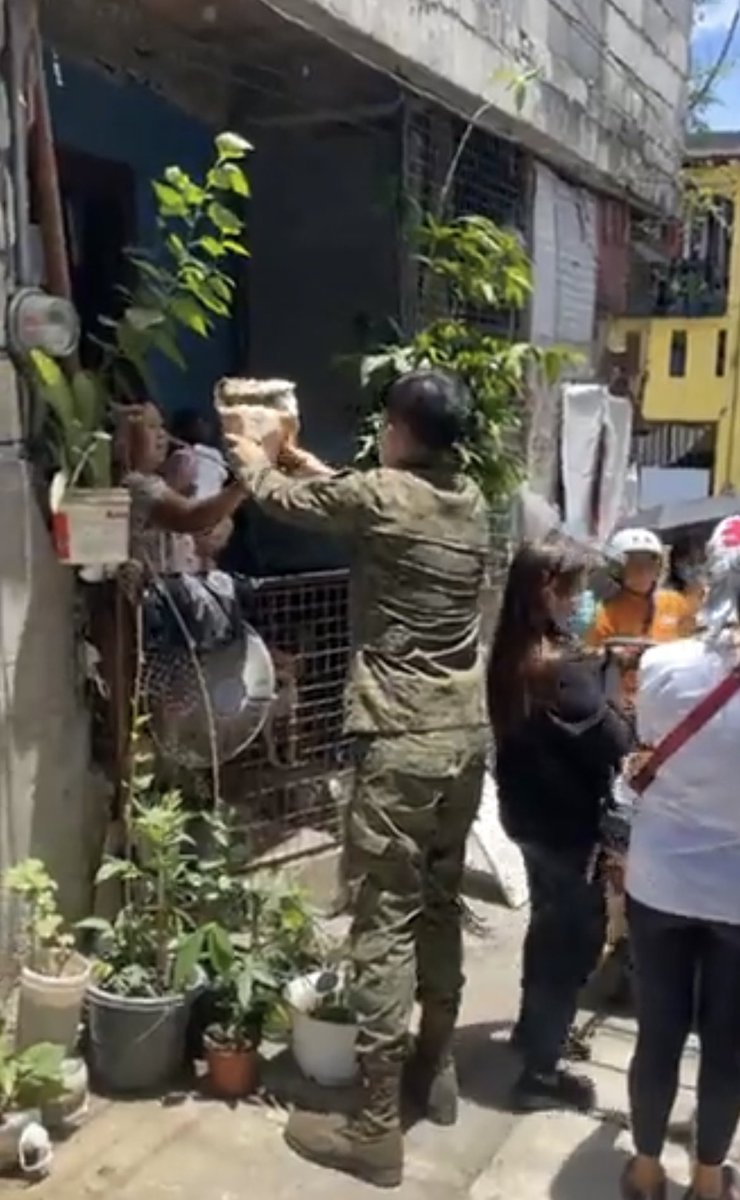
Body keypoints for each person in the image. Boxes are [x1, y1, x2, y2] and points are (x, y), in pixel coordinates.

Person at [226, 369, 490, 1188]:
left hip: (400, 742)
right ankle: (434, 1074)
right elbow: (365, 498)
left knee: (385, 920)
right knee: (442, 900)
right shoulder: (469, 501)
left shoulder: (381, 495)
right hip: (463, 740)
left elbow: (283, 503)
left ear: (403, 431)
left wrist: (250, 454)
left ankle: (374, 1130)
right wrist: (308, 460)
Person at [618, 515, 740, 1200]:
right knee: (728, 1045)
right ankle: (708, 1178)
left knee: (657, 1035)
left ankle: (643, 1171)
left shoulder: (662, 666)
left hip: (660, 883)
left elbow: (646, 754)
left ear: (707, 582)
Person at [489, 540, 632, 1114]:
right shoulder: (563, 671)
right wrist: (612, 677)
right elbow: (616, 741)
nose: (583, 600)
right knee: (572, 945)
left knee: (546, 924)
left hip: (525, 819)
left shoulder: (511, 653)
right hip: (566, 829)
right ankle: (541, 1074)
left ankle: (534, 1032)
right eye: (575, 589)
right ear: (546, 589)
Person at [588, 527, 694, 709]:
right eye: (634, 562)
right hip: (627, 702)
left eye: (650, 561)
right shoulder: (605, 612)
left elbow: (693, 647)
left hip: (671, 695)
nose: (643, 569)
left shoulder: (676, 603)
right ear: (617, 568)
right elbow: (592, 661)